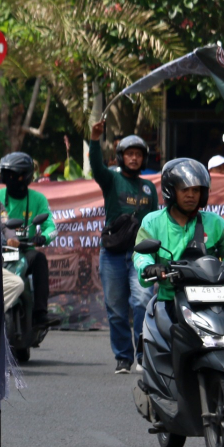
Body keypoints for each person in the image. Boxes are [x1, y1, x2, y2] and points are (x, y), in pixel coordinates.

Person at [134, 158, 224, 447]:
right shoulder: (153, 223)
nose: (192, 195)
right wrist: (152, 268)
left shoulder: (214, 223)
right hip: (173, 298)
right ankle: (164, 396)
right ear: (171, 190)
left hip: (219, 299)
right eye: (185, 189)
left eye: (197, 190)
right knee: (169, 342)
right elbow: (141, 259)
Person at [89, 121, 159, 373]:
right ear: (121, 156)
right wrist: (94, 139)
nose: (134, 158)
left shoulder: (149, 187)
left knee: (142, 302)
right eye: (129, 153)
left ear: (143, 159)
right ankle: (123, 357)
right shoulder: (111, 179)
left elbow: (155, 222)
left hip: (141, 253)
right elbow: (96, 167)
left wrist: (158, 254)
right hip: (112, 254)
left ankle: (142, 355)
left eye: (138, 154)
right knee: (116, 308)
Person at [0, 152, 61, 330]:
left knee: (39, 259)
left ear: (23, 177)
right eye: (6, 174)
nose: (7, 178)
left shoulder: (38, 199)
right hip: (1, 250)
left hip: (26, 249)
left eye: (12, 175)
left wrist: (43, 237)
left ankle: (40, 313)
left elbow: (52, 228)